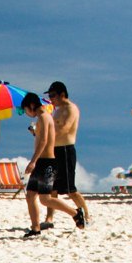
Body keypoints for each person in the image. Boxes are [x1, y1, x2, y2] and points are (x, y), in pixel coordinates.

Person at [19, 91, 79, 238]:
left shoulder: (45, 117)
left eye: (25, 110)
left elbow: (44, 141)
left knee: (45, 199)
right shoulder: (41, 118)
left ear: (31, 105)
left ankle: (76, 213)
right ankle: (35, 228)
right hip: (42, 162)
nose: (26, 113)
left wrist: (33, 161)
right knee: (31, 195)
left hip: (47, 163)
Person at [41, 81, 88, 230]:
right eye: (49, 96)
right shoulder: (56, 110)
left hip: (66, 150)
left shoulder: (71, 108)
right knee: (51, 188)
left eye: (53, 95)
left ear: (62, 94)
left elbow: (65, 128)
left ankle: (86, 216)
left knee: (70, 189)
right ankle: (49, 218)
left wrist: (48, 132)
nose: (51, 98)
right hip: (53, 151)